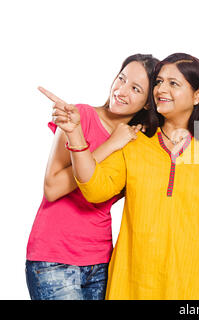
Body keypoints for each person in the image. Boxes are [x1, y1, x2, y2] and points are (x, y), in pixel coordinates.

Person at [51, 53, 199, 300]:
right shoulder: (133, 145)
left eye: (173, 83)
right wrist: (76, 136)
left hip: (197, 289)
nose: (161, 89)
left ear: (197, 95)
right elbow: (94, 188)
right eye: (159, 82)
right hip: (133, 288)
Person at [26, 54, 160, 300]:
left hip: (101, 260)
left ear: (148, 104)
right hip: (54, 258)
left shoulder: (137, 142)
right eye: (121, 78)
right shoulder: (79, 117)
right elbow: (52, 187)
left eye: (135, 89)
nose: (121, 90)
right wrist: (111, 144)